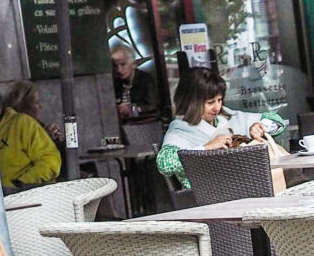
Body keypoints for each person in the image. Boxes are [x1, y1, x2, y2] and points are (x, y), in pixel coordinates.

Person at [156, 67, 285, 188]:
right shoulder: (180, 130)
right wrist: (206, 148)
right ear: (191, 101)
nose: (217, 107)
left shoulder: (228, 116)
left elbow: (276, 120)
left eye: (220, 100)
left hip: (248, 188)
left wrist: (261, 127)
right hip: (208, 198)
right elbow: (165, 165)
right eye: (210, 102)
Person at [0, 81, 61, 188]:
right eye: (36, 102)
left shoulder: (35, 127)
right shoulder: (20, 124)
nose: (40, 106)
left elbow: (50, 162)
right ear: (22, 105)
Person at [112, 46, 158, 121]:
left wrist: (132, 110)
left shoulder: (146, 80)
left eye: (123, 65)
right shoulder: (116, 83)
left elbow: (153, 106)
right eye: (115, 66)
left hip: (144, 124)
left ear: (133, 64)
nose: (119, 70)